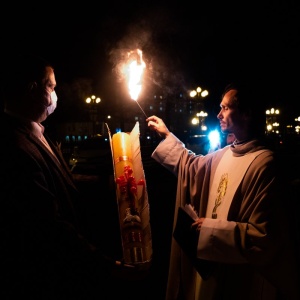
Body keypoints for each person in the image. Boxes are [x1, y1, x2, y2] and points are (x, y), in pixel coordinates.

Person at [146, 81, 299, 300]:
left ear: (246, 113)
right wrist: (166, 134)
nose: (218, 114)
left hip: (239, 280)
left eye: (226, 108)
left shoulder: (265, 164)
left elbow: (266, 239)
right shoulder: (225, 154)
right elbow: (191, 167)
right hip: (211, 272)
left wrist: (211, 230)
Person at [0, 54, 134, 299]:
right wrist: (106, 266)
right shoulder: (15, 147)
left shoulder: (35, 131)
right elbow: (49, 226)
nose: (54, 94)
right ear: (32, 89)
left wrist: (107, 183)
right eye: (50, 86)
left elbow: (61, 179)